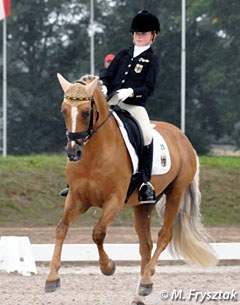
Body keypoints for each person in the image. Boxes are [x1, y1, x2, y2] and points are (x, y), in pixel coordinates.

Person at [100, 10, 160, 204]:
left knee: (147, 134)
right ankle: (76, 179)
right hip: (112, 103)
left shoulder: (151, 59)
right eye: (136, 33)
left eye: (143, 34)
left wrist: (132, 92)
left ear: (153, 35)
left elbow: (149, 88)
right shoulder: (122, 54)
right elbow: (108, 76)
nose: (138, 36)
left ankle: (145, 182)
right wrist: (103, 85)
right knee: (88, 124)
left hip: (133, 106)